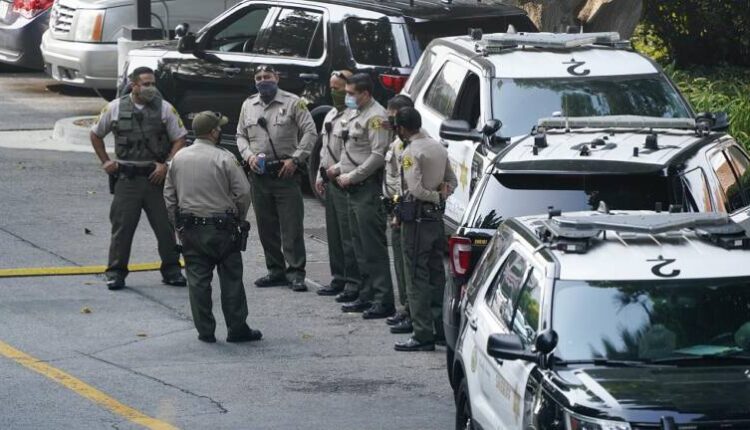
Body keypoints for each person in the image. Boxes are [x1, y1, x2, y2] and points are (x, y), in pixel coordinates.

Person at [164, 111, 261, 344]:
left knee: (197, 281)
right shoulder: (225, 158)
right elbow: (243, 192)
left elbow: (169, 196)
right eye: (218, 128)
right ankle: (236, 328)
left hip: (190, 228)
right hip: (222, 228)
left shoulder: (178, 158)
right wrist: (238, 218)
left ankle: (205, 330)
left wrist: (177, 224)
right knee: (231, 279)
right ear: (213, 132)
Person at [90, 66, 187, 291]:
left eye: (153, 84)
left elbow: (180, 138)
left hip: (156, 180)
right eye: (146, 84)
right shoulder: (115, 108)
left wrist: (167, 165)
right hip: (127, 179)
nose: (151, 88)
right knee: (122, 228)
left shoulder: (165, 108)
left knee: (165, 228)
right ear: (134, 85)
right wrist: (105, 162)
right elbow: (95, 133)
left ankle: (172, 270)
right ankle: (116, 272)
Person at [237, 65, 318, 292]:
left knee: (291, 227)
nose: (263, 81)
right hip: (259, 175)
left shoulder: (293, 103)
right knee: (266, 227)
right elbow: (240, 135)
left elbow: (310, 132)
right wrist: (249, 156)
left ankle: (296, 273)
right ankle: (275, 270)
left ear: (277, 78)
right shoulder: (248, 104)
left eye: (268, 77)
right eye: (259, 77)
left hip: (285, 173)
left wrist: (296, 159)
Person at [392, 107, 457, 352]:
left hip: (417, 219)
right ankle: (440, 329)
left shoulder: (411, 152)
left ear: (402, 128)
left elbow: (416, 189)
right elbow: (452, 181)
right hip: (435, 220)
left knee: (415, 276)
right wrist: (442, 194)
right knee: (436, 273)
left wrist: (435, 196)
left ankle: (422, 333)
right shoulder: (438, 147)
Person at [330, 73, 395, 319]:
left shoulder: (376, 117)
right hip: (351, 188)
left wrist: (352, 176)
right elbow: (352, 150)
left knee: (372, 247)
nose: (346, 97)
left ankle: (383, 299)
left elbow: (378, 155)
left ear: (365, 94)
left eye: (351, 93)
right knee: (358, 246)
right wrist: (338, 169)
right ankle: (366, 294)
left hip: (366, 188)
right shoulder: (354, 113)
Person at [314, 70, 362, 301]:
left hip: (346, 180)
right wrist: (319, 175)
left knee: (348, 235)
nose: (334, 92)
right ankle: (339, 278)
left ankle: (353, 283)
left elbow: (356, 153)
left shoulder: (355, 117)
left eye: (339, 89)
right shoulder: (331, 114)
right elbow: (324, 150)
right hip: (331, 180)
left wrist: (338, 170)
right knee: (333, 234)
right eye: (332, 88)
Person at [382, 95, 415, 334]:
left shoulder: (409, 145)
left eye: (393, 116)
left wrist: (399, 210)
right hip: (394, 206)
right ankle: (405, 306)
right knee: (400, 263)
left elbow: (407, 183)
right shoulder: (396, 142)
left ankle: (413, 311)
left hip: (405, 209)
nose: (389, 120)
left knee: (409, 264)